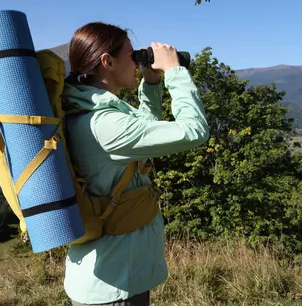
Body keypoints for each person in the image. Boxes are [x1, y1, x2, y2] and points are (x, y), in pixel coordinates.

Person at [61, 22, 209, 306]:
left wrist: (151, 82)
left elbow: (144, 132)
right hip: (115, 283)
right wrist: (175, 71)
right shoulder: (104, 124)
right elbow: (194, 131)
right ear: (107, 61)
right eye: (132, 55)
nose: (137, 60)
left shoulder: (87, 108)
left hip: (108, 273)